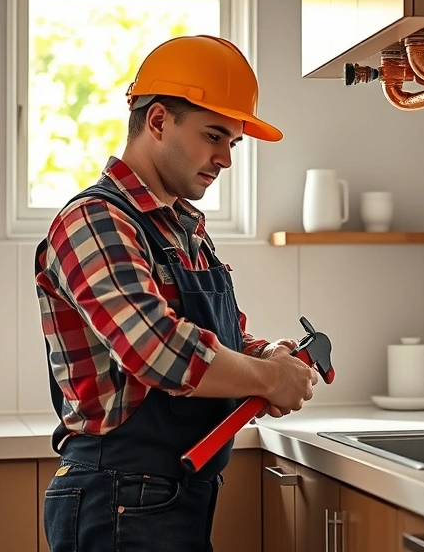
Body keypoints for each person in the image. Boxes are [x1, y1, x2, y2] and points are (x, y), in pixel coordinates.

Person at [33, 35, 319, 552]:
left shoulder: (181, 228)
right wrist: (270, 377)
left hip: (177, 495)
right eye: (214, 136)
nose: (225, 159)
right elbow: (158, 350)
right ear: (159, 120)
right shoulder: (96, 220)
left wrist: (272, 357)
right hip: (119, 497)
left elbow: (216, 337)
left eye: (233, 142)